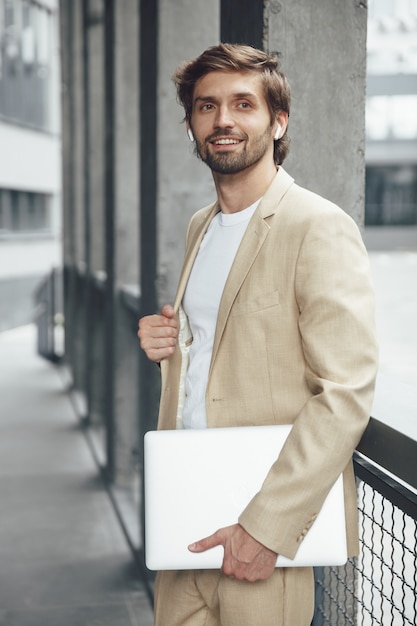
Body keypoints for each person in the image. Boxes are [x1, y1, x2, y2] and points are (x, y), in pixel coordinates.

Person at [138, 43, 378, 626]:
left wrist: (265, 528)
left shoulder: (317, 226)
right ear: (192, 124)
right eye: (206, 106)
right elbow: (224, 356)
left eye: (243, 104)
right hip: (188, 515)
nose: (222, 120)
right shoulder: (202, 225)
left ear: (278, 121)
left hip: (259, 533)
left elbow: (346, 392)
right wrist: (165, 348)